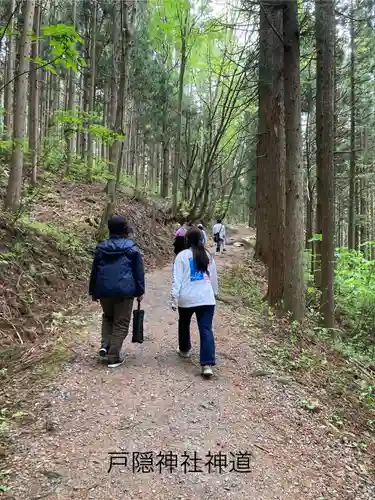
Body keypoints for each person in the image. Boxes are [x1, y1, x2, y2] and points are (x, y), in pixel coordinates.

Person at [89, 215, 145, 368]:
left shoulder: (101, 248)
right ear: (125, 229)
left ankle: (105, 345)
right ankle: (113, 356)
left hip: (104, 290)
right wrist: (140, 290)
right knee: (121, 322)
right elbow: (138, 272)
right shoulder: (132, 248)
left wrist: (93, 291)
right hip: (125, 291)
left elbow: (94, 271)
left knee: (108, 317)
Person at [171, 227, 218, 378]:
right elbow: (213, 278)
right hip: (206, 297)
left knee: (184, 322)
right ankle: (207, 364)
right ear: (201, 239)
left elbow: (177, 279)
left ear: (186, 240)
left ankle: (184, 349)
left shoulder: (181, 256)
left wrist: (174, 297)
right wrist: (214, 293)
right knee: (206, 329)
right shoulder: (208, 255)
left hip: (187, 297)